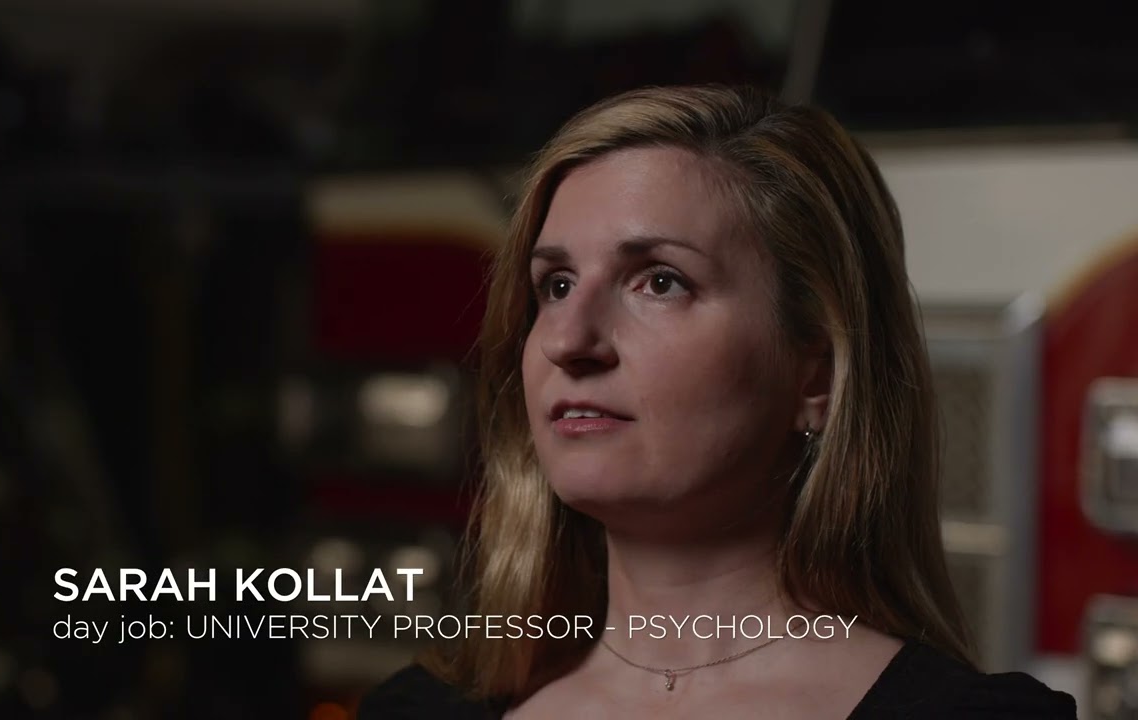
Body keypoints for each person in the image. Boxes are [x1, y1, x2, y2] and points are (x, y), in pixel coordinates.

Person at [358, 84, 1077, 719]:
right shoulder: (416, 711)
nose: (568, 341)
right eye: (557, 285)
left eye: (659, 282)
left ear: (817, 376)